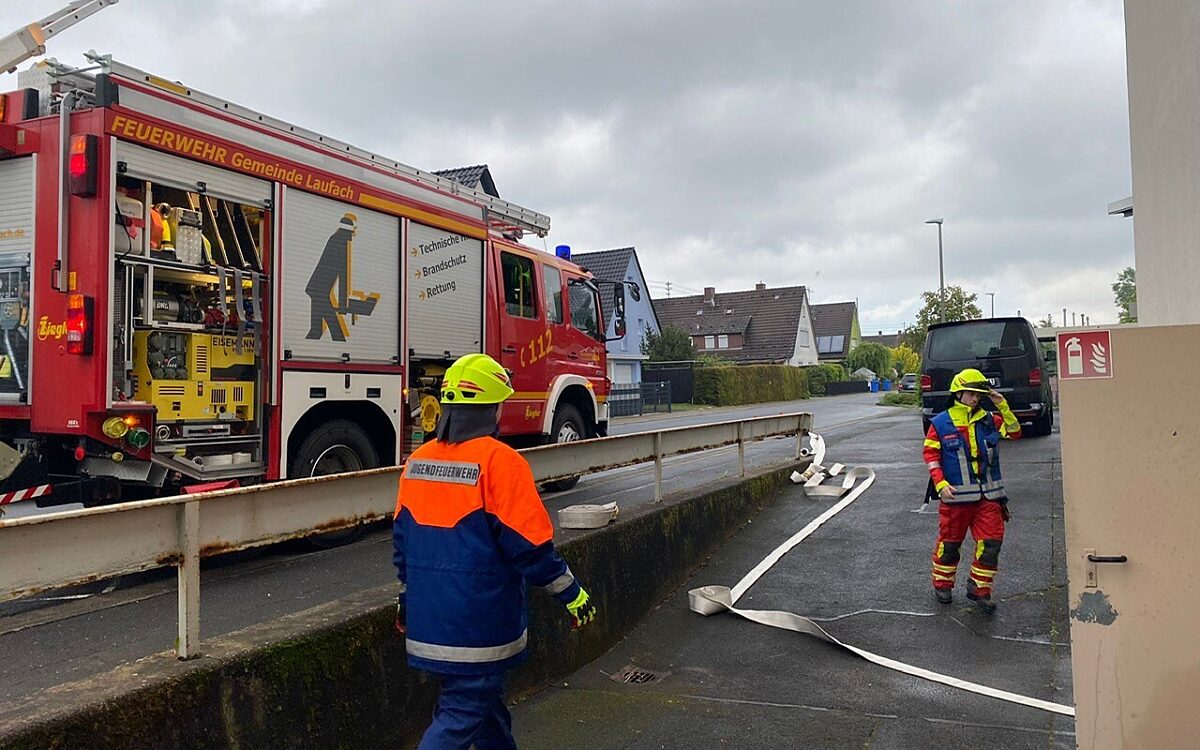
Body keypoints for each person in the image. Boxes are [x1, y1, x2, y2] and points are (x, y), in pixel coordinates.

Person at [393, 352, 597, 749]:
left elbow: (403, 544)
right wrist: (572, 595)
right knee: (462, 713)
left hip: (429, 619)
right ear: (492, 408)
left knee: (484, 711)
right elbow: (531, 548)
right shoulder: (501, 463)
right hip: (478, 624)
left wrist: (406, 598)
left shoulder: (416, 462)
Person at [923, 367, 1022, 615]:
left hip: (989, 497)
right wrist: (941, 483)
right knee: (949, 545)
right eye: (971, 394)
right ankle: (943, 584)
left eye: (979, 395)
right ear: (959, 394)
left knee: (990, 544)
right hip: (955, 499)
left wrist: (1002, 404)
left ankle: (980, 589)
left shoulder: (989, 419)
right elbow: (931, 456)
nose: (975, 399)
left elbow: (1014, 431)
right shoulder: (941, 422)